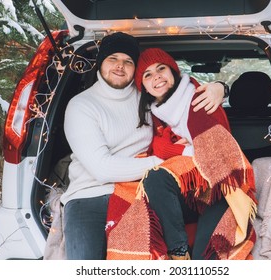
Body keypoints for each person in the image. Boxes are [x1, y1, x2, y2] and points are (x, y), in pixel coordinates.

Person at [61, 33, 226, 260]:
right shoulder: (81, 105)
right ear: (100, 63)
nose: (120, 66)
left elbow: (182, 93)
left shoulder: (147, 96)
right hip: (90, 195)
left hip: (142, 191)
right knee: (83, 263)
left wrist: (220, 87)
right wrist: (163, 160)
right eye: (113, 59)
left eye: (128, 61)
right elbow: (102, 169)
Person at [133, 48, 257, 260]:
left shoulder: (200, 98)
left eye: (161, 69)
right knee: (154, 179)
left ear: (173, 71)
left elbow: (218, 153)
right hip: (190, 193)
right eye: (148, 74)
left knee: (203, 257)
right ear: (142, 85)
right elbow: (157, 148)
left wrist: (176, 149)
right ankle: (178, 252)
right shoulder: (154, 112)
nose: (157, 77)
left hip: (220, 189)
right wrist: (177, 149)